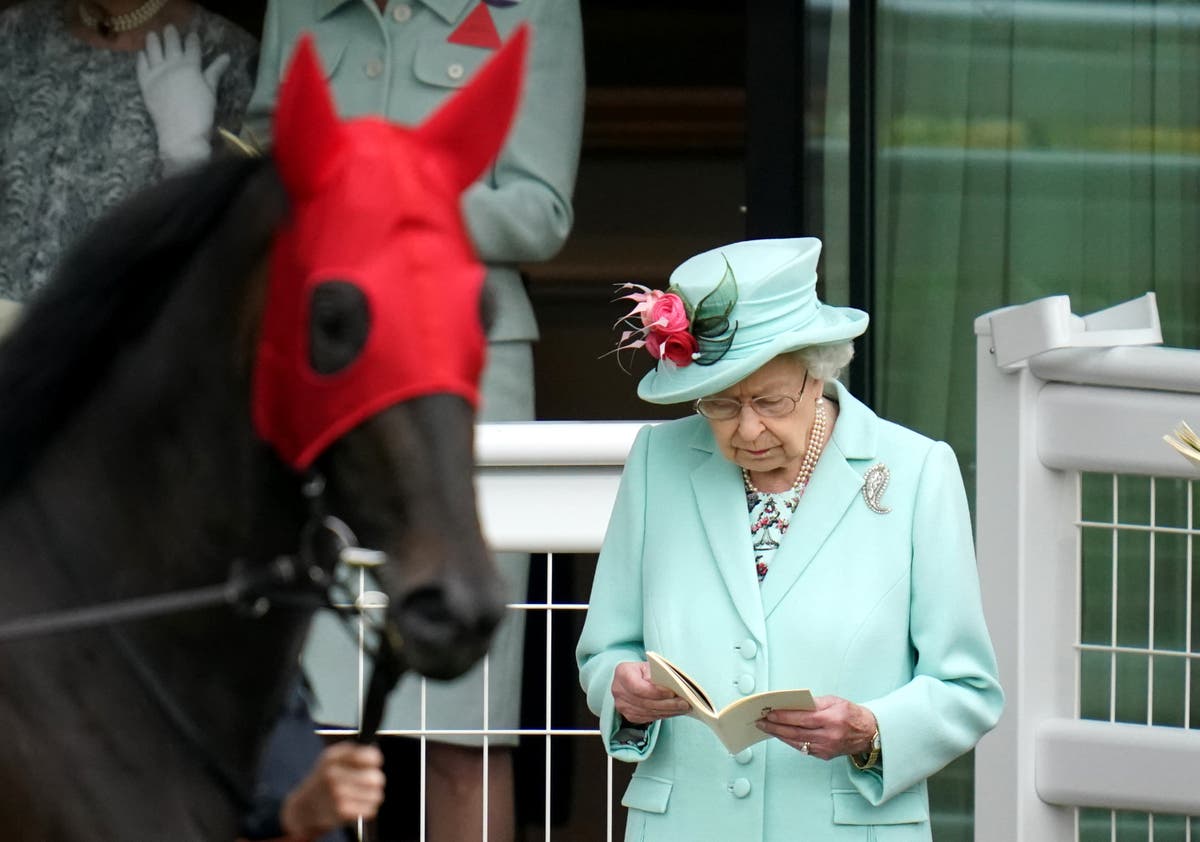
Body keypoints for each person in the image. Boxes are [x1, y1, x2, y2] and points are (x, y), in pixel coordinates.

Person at [242, 3, 585, 839]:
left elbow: (541, 211)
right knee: (298, 724)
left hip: (458, 377)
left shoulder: (531, 10)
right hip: (322, 360)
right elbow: (263, 150)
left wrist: (381, 203)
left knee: (463, 731)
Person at [576, 237, 1004, 841]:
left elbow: (967, 688)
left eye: (770, 401)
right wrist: (622, 693)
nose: (748, 428)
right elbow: (605, 649)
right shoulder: (657, 462)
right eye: (721, 404)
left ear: (819, 369)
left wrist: (870, 728)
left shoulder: (914, 471)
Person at [0, 0, 257, 302]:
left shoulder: (228, 55)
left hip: (113, 340)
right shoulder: (14, 32)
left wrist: (187, 160)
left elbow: (235, 276)